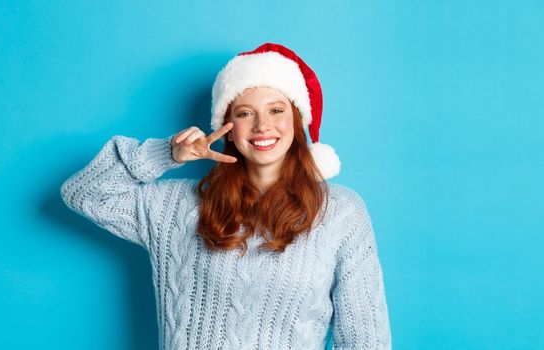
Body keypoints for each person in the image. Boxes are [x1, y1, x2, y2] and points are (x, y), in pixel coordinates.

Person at [60, 43, 391, 349]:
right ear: (227, 125)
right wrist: (167, 154)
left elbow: (366, 340)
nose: (262, 125)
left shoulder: (341, 212)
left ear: (296, 119)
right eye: (245, 113)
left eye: (276, 110)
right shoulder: (175, 206)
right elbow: (84, 193)